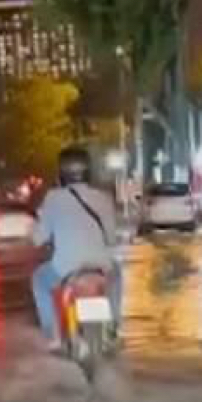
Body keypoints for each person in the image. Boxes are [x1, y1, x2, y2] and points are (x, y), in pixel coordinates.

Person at [30, 147, 123, 351]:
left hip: (66, 269)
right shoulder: (103, 197)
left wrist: (37, 224)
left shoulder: (53, 198)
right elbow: (111, 238)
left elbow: (38, 239)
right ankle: (115, 326)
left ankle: (52, 334)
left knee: (39, 279)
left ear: (61, 173)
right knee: (117, 273)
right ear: (89, 171)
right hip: (100, 267)